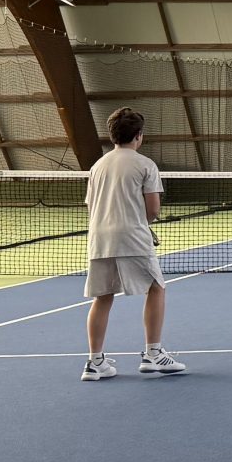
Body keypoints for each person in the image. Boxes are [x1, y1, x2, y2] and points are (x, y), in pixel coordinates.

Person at [81, 106, 183, 381]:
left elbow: (92, 206)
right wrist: (142, 224)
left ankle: (95, 362)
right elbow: (153, 209)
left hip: (100, 238)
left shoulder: (97, 167)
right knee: (157, 288)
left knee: (102, 297)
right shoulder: (145, 164)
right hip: (133, 238)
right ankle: (153, 354)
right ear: (139, 135)